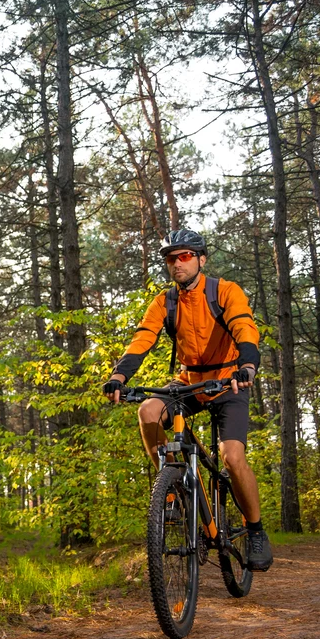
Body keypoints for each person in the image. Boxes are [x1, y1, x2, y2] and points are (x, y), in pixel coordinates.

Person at [102, 229, 273, 571]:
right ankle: (171, 491)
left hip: (229, 384)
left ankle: (255, 531)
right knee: (149, 410)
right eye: (170, 258)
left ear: (200, 259)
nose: (177, 264)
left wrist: (248, 366)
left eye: (184, 256)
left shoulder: (225, 291)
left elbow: (244, 327)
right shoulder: (165, 301)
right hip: (189, 382)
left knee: (232, 457)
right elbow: (143, 339)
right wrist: (119, 377)